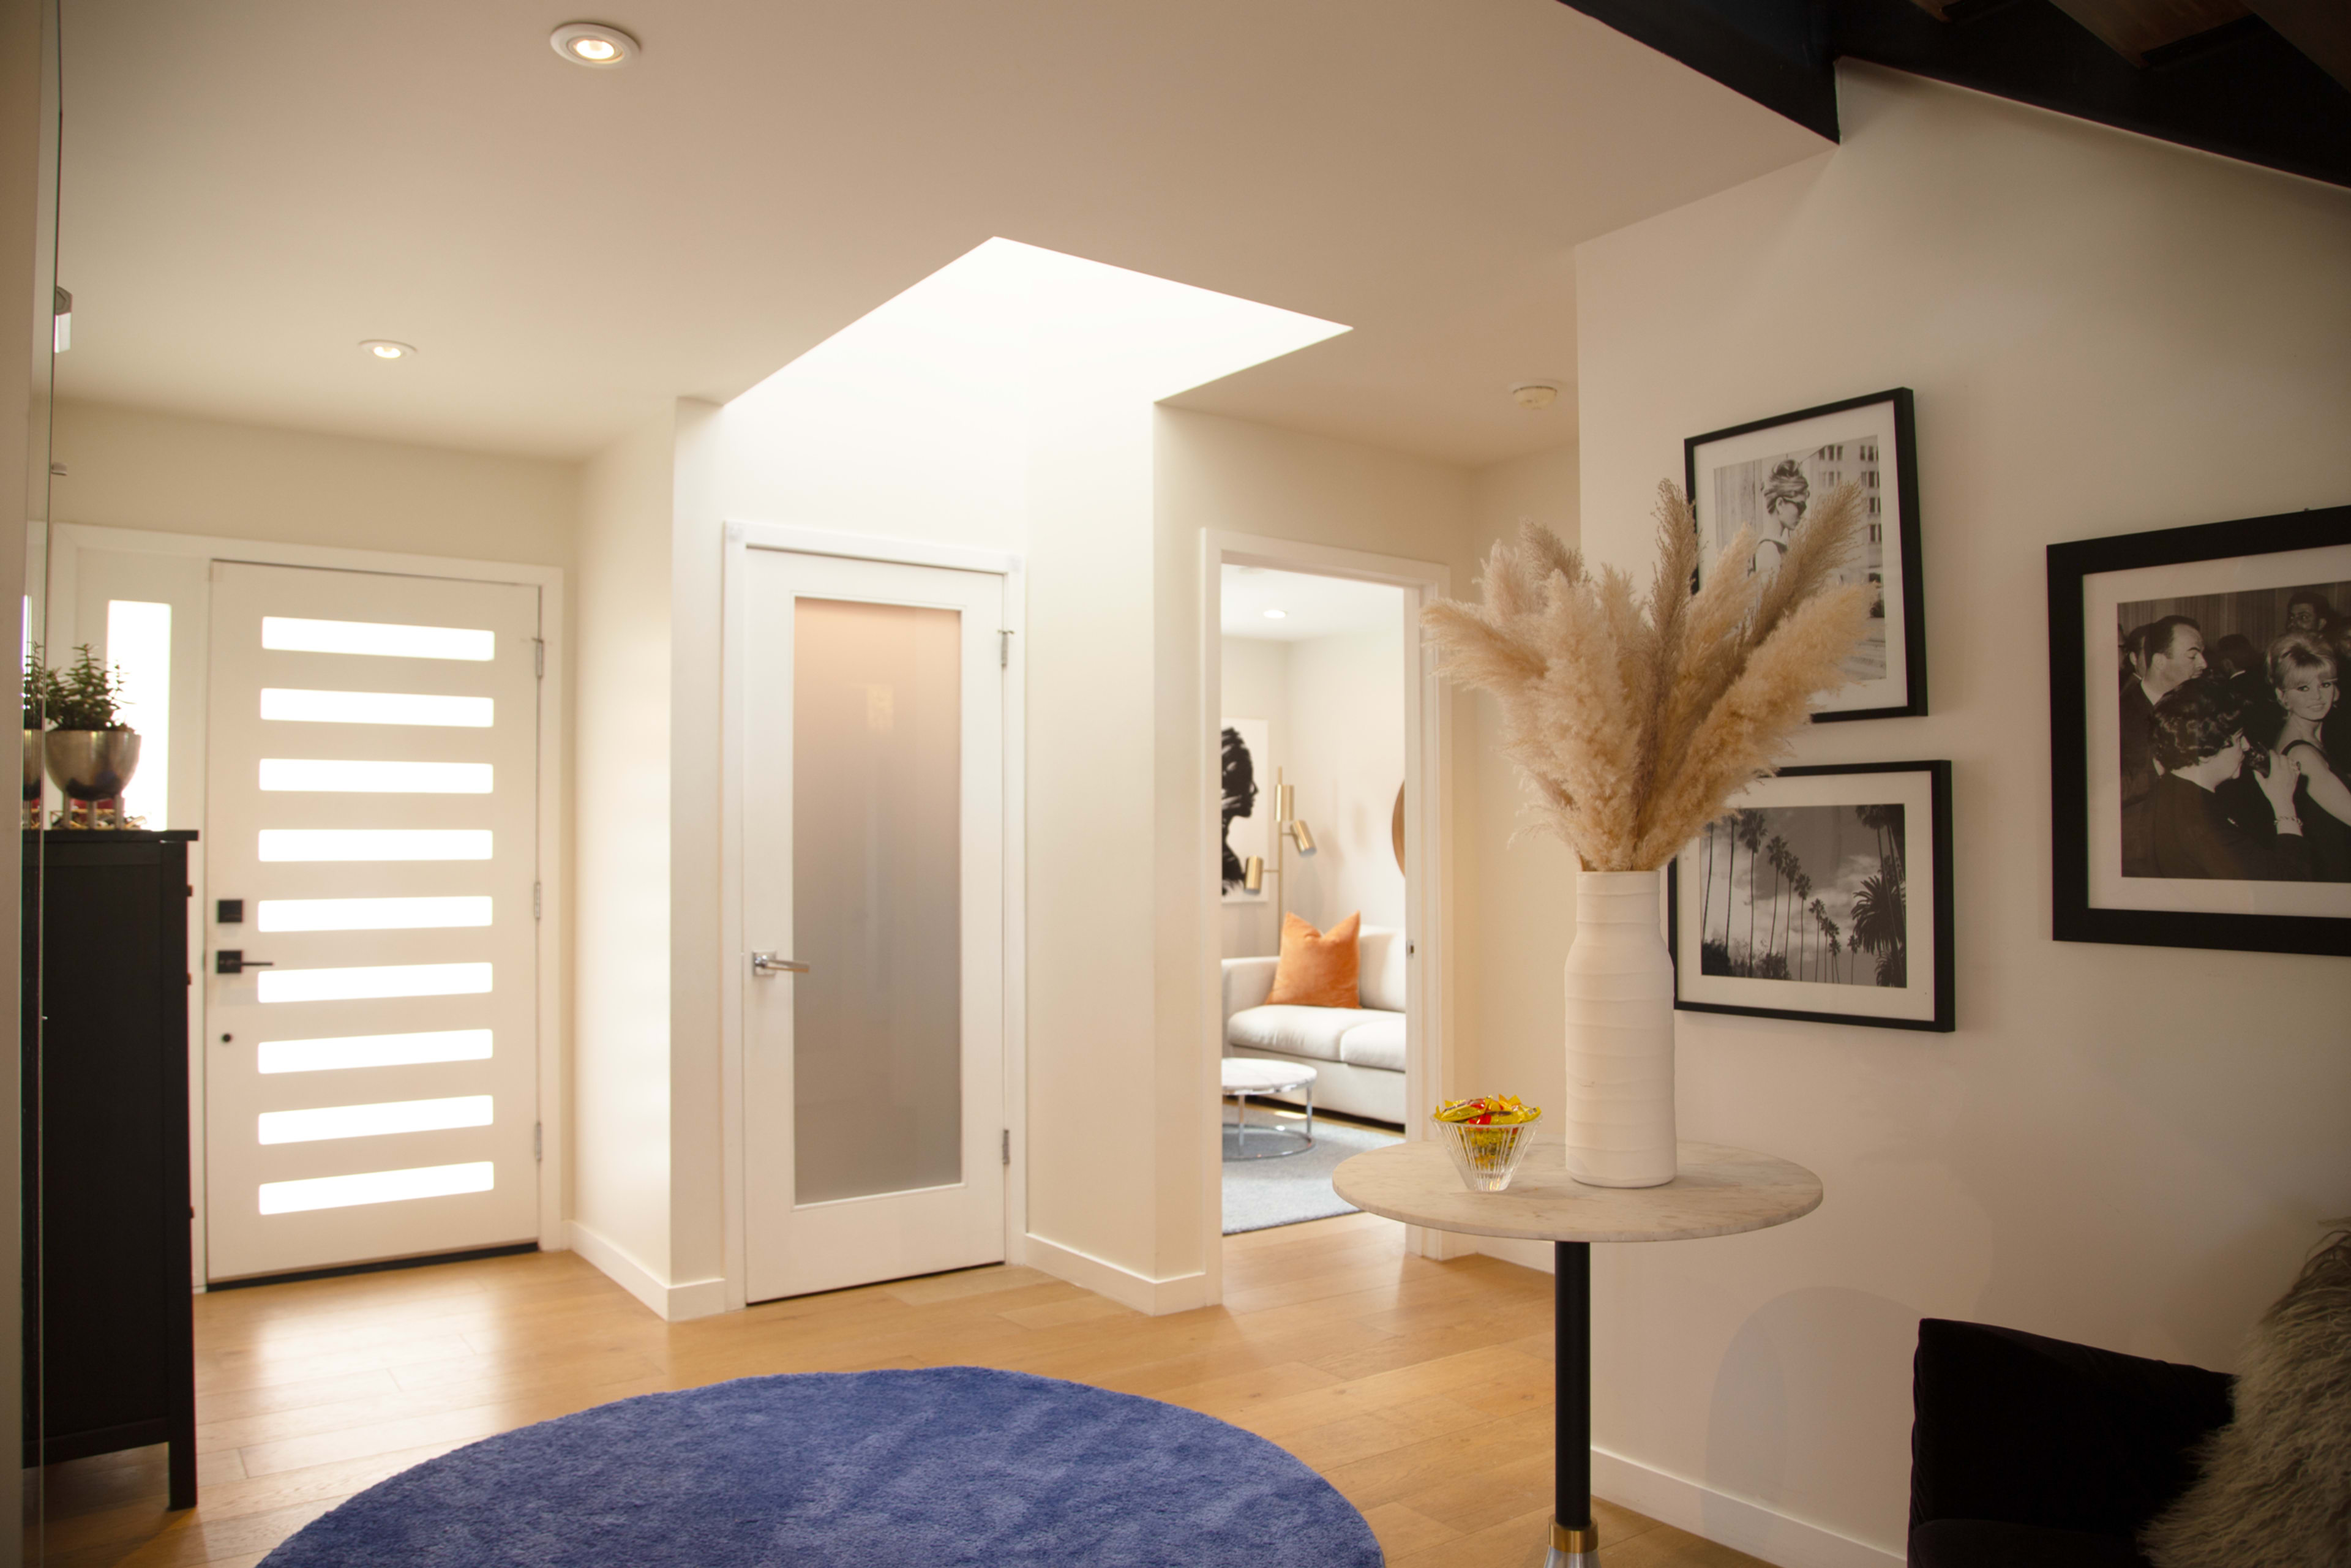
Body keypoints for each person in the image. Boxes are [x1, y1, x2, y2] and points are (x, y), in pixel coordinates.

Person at [2147, 677, 2309, 880]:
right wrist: (2284, 805)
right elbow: (2293, 886)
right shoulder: (2204, 828)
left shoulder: (2171, 790)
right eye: (2239, 738)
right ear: (2205, 752)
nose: (2247, 746)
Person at [2119, 615, 2205, 876]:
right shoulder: (2117, 714)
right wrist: (2157, 768)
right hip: (2143, 856)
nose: (2204, 663)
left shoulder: (2200, 705)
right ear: (2159, 662)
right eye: (2193, 656)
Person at [2267, 632, 2351, 880]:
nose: (2317, 696)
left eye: (2325, 685)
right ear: (2282, 696)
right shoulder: (2302, 752)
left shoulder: (2309, 739)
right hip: (2334, 874)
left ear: (2335, 690)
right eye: (2303, 688)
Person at [1750, 459, 1807, 579]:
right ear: (1780, 504)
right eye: (1800, 506)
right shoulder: (1769, 550)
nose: (1802, 514)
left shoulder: (1776, 546)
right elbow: (1770, 599)